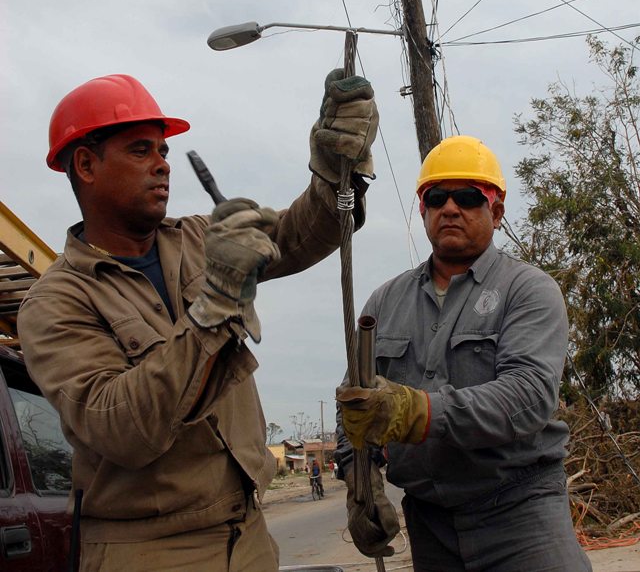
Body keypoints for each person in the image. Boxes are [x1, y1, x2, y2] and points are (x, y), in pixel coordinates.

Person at [18, 71, 378, 572]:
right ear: (85, 164)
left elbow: (298, 235)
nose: (162, 164)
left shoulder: (198, 238)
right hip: (148, 551)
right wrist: (216, 302)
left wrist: (336, 171)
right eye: (140, 150)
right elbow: (120, 426)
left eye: (163, 151)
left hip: (248, 536)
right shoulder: (56, 301)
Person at [335, 135, 592, 571]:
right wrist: (360, 482)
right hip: (429, 523)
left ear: (496, 211)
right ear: (423, 210)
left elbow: (528, 396)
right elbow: (353, 403)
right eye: (436, 198)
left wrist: (415, 411)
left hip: (521, 513)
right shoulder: (385, 302)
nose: (450, 208)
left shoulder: (528, 290)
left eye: (469, 197)